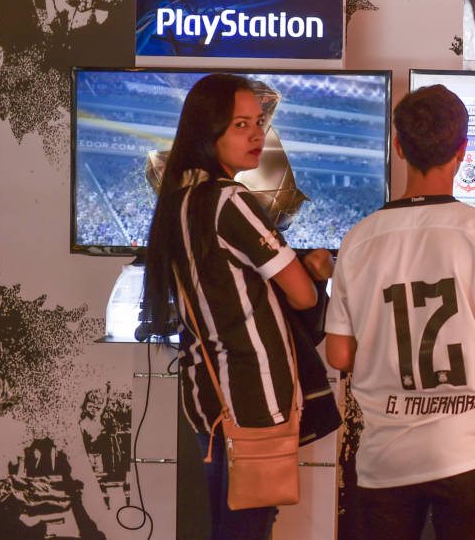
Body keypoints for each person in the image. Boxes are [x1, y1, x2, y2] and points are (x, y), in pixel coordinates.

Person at [324, 84, 475, 540]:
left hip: (385, 458)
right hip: (468, 451)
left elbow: (339, 355)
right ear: (463, 150)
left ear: (398, 146)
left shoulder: (359, 238)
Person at [141, 73, 333, 540]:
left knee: (229, 525)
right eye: (239, 125)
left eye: (258, 122)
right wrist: (316, 271)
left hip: (208, 397)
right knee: (248, 527)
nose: (256, 134)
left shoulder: (178, 202)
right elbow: (303, 295)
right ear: (208, 132)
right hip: (253, 396)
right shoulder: (230, 199)